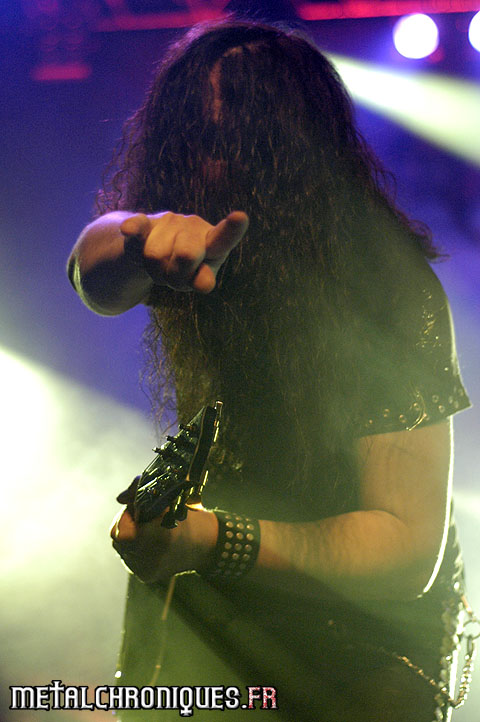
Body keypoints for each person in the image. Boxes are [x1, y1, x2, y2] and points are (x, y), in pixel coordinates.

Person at [67, 20, 472, 721]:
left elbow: (406, 548)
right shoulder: (189, 248)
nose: (213, 165)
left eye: (245, 141)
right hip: (210, 626)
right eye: (194, 141)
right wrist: (138, 238)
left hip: (358, 660)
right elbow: (92, 275)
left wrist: (213, 540)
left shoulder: (387, 287)